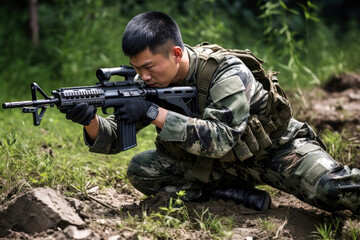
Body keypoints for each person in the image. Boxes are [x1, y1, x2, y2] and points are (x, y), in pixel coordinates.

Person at [61, 11, 360, 213]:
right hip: (222, 167)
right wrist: (89, 120)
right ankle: (234, 196)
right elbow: (114, 138)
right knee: (143, 170)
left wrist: (153, 112)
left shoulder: (225, 72)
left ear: (176, 54)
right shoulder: (147, 83)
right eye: (137, 68)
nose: (143, 76)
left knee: (332, 189)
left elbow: (222, 138)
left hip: (277, 151)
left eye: (149, 67)